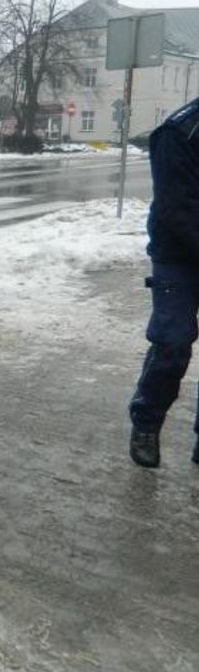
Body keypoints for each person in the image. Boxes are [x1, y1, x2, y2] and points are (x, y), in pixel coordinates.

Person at [128, 95, 199, 468]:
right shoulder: (180, 132)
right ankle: (146, 422)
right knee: (172, 344)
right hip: (179, 255)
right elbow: (177, 209)